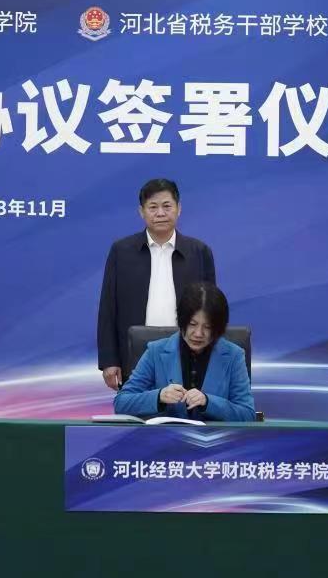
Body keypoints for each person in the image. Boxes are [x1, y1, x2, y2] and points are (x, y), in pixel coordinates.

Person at [96, 178, 216, 390]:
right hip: (135, 355)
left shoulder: (199, 252)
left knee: (186, 409)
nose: (160, 213)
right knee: (139, 407)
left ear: (179, 209)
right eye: (153, 207)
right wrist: (109, 360)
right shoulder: (121, 251)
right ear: (141, 212)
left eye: (167, 206)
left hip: (188, 353)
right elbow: (108, 308)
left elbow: (211, 311)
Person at [113, 282, 255, 422]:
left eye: (207, 327)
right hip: (165, 436)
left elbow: (247, 414)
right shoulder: (155, 352)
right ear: (182, 321)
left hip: (214, 436)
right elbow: (121, 403)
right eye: (192, 324)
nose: (198, 333)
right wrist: (159, 396)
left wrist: (208, 402)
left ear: (217, 328)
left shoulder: (234, 356)